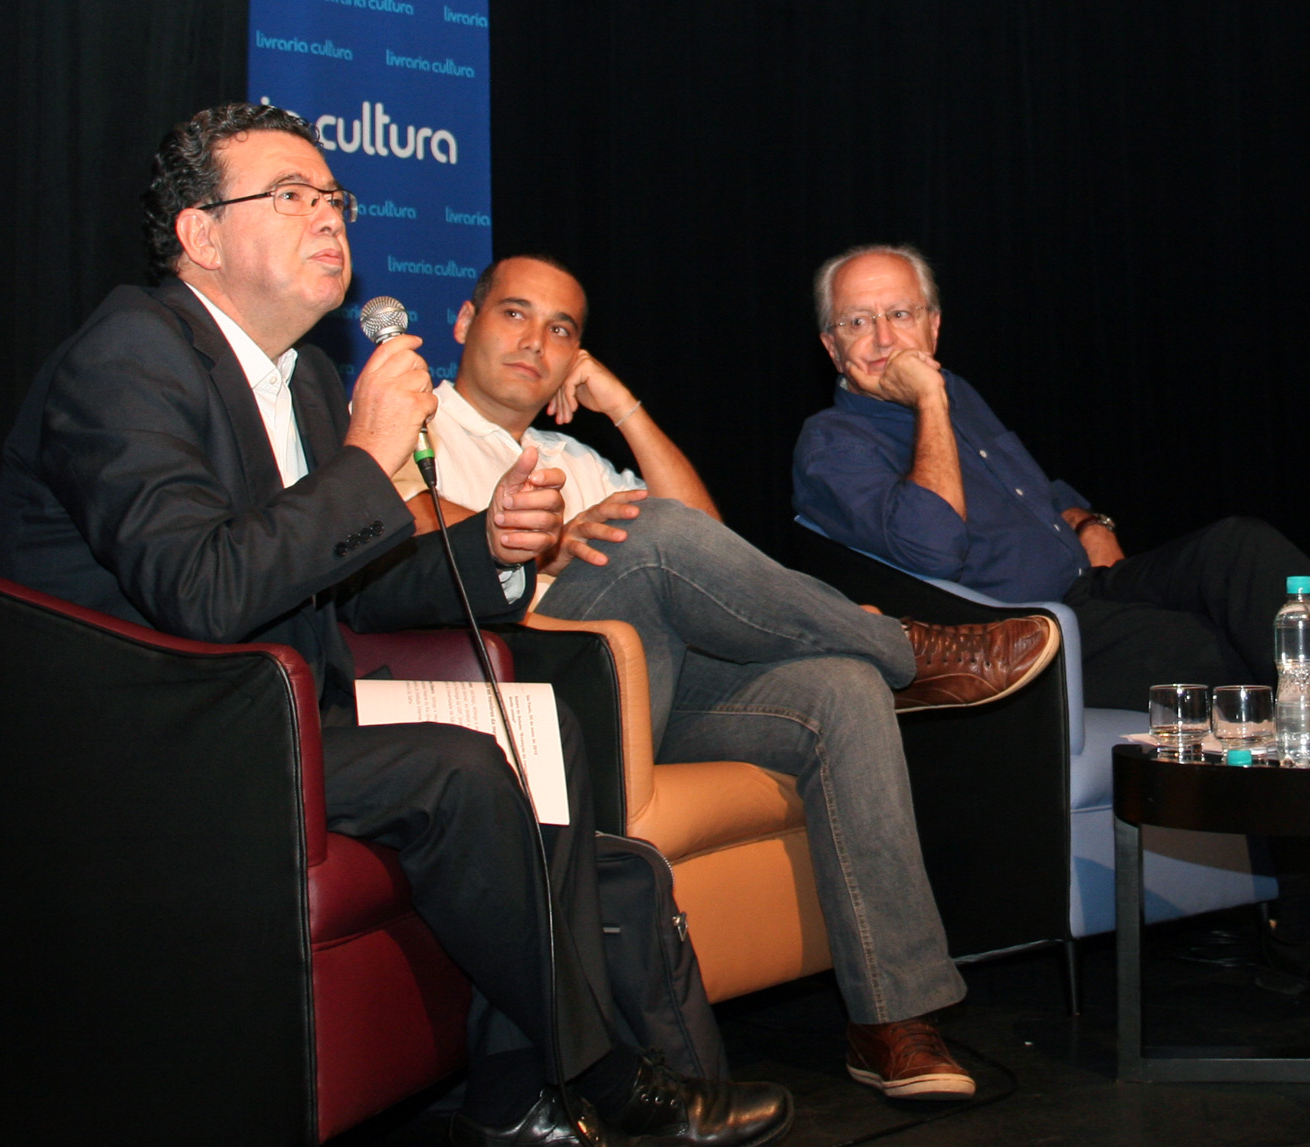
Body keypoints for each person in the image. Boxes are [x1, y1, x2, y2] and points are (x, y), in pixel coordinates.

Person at [0, 104, 791, 1147]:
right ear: (200, 234)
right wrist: (371, 460)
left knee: (536, 726)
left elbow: (353, 588)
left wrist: (492, 547)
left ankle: (514, 1100)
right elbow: (199, 587)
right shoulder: (129, 356)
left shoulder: (309, 378)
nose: (330, 216)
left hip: (285, 712)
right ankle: (604, 1075)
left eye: (334, 197)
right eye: (291, 196)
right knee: (457, 770)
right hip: (161, 730)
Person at [393, 252, 1057, 1100]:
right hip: (530, 691)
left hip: (648, 692)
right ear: (464, 321)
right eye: (514, 314)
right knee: (653, 539)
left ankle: (891, 1018)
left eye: (562, 329)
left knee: (840, 690)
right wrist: (544, 540)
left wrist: (623, 407)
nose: (536, 342)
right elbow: (404, 530)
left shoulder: (570, 453)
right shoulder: (413, 420)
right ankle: (905, 649)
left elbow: (707, 542)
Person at [790, 244, 1310, 996]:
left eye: (900, 314)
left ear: (933, 324)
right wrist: (927, 402)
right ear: (831, 345)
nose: (883, 338)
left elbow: (1031, 486)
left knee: (1250, 553)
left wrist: (1087, 518)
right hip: (1027, 636)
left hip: (1090, 587)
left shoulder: (961, 392)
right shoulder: (833, 444)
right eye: (858, 322)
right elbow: (932, 543)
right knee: (1210, 650)